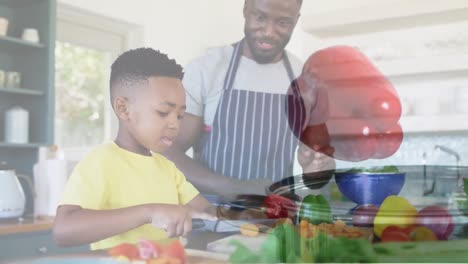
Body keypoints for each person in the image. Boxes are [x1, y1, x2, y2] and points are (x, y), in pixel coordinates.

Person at [164, 0, 335, 197]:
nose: (269, 32)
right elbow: (168, 151)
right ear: (246, 10)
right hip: (211, 218)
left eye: (283, 22)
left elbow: (318, 172)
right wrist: (234, 188)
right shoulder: (207, 69)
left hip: (277, 221)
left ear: (296, 20)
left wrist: (319, 166)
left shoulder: (305, 80)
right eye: (260, 17)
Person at [53, 48, 216, 250]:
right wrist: (150, 212)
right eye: (163, 112)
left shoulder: (167, 168)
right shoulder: (101, 161)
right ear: (123, 108)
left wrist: (251, 214)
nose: (174, 124)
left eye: (180, 115)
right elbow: (63, 230)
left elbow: (206, 210)